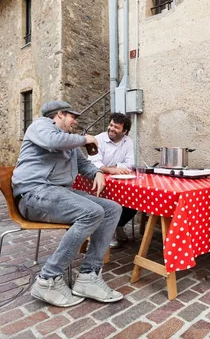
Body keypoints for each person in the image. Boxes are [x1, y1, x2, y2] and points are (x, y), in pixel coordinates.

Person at [12, 100, 123, 307]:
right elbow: (53, 141)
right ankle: (48, 279)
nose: (75, 122)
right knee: (91, 212)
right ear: (60, 114)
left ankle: (89, 276)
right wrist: (84, 139)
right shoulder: (41, 126)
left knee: (111, 209)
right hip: (34, 194)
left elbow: (83, 164)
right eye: (73, 117)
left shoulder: (69, 143)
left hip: (57, 193)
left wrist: (97, 172)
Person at [88, 112, 137, 248]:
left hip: (118, 182)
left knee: (133, 202)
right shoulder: (98, 140)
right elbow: (93, 163)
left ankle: (117, 225)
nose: (111, 129)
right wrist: (111, 170)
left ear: (125, 131)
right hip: (97, 181)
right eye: (110, 125)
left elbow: (129, 164)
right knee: (109, 203)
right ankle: (108, 231)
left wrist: (114, 168)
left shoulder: (128, 141)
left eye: (116, 127)